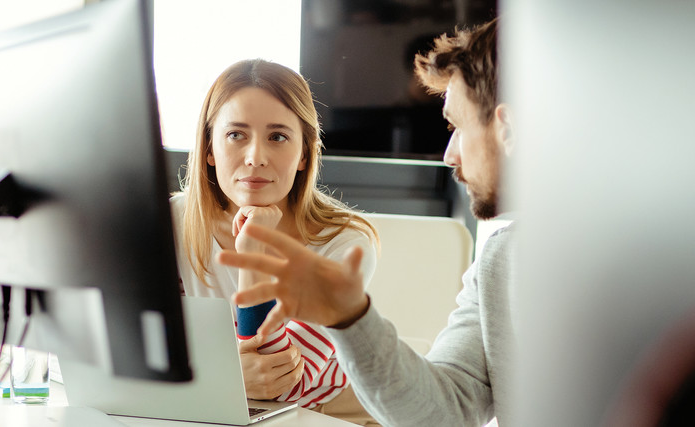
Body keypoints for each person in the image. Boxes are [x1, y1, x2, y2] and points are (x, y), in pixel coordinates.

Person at [216, 18, 517, 426]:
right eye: (235, 134)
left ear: (508, 129)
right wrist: (351, 318)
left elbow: (278, 383)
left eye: (456, 126)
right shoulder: (499, 264)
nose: (449, 155)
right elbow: (444, 413)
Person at [169, 59, 382, 425]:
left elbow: (278, 386)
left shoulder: (346, 244)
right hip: (217, 407)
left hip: (333, 413)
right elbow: (149, 345)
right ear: (208, 149)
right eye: (236, 134)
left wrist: (253, 251)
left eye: (278, 137)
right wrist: (225, 376)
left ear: (303, 154)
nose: (255, 158)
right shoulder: (174, 221)